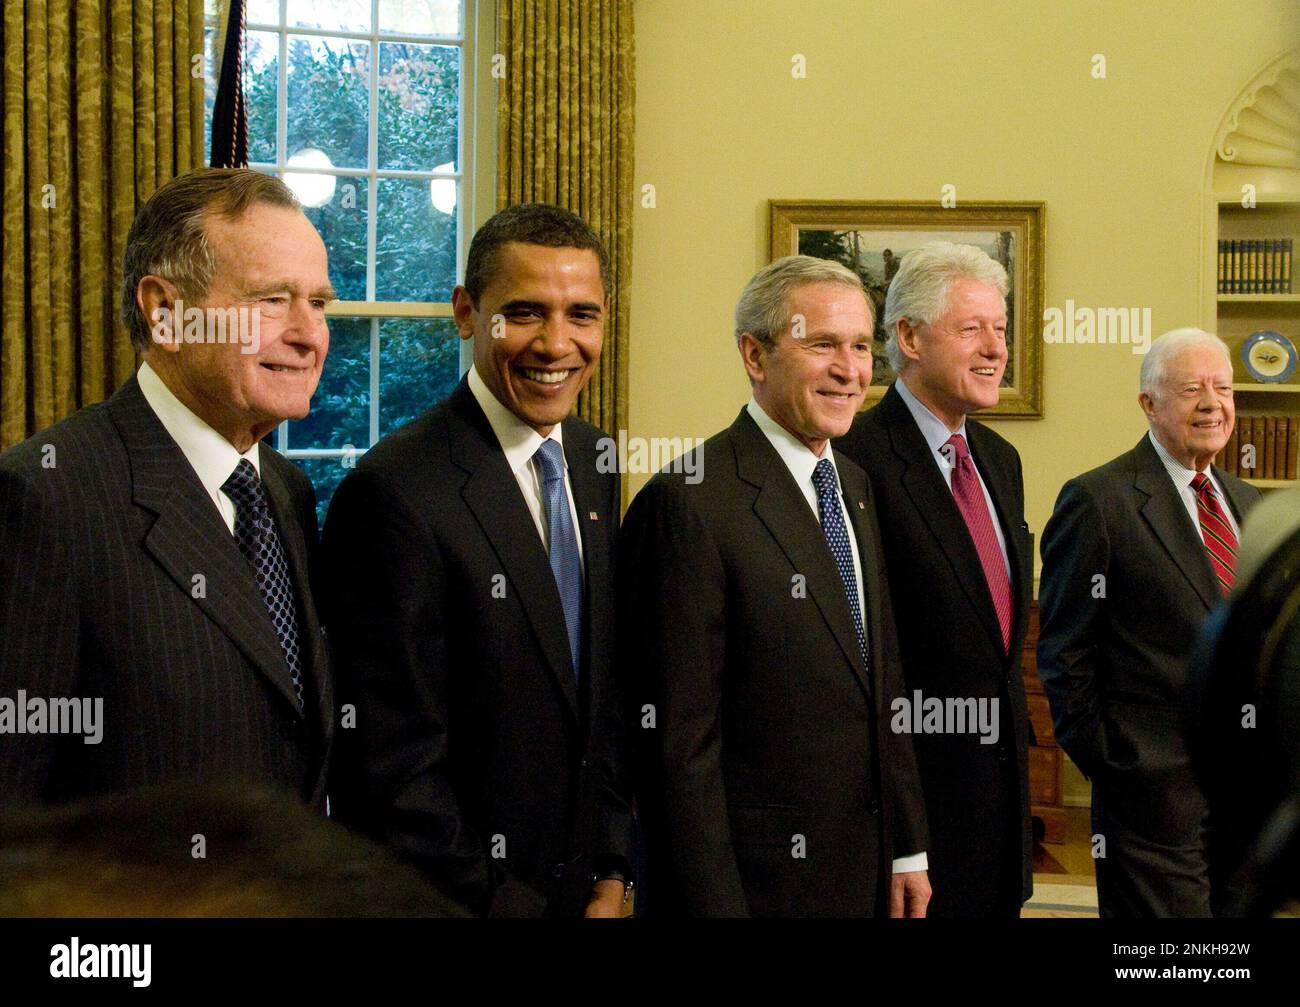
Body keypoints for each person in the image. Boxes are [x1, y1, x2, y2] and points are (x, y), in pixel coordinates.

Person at [321, 203, 633, 918]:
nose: (556, 344)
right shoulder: (394, 492)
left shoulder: (595, 460)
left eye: (581, 314)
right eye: (524, 312)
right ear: (467, 312)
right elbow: (392, 774)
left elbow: (604, 696)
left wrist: (614, 869)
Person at [0, 168, 335, 808]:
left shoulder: (288, 492)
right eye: (271, 300)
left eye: (318, 302)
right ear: (167, 313)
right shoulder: (44, 497)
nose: (308, 334)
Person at [619, 255, 929, 917]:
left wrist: (906, 845)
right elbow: (677, 747)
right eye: (822, 345)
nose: (850, 370)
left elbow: (882, 677)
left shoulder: (855, 485)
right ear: (755, 355)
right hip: (754, 889)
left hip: (863, 873)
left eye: (860, 346)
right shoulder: (688, 501)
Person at [835, 241, 1033, 916]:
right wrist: (902, 834)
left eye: (1001, 329)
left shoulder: (1001, 460)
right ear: (910, 337)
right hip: (908, 821)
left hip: (999, 815)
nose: (995, 348)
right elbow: (861, 662)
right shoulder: (853, 458)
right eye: (972, 328)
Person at [1038, 328, 1260, 917]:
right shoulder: (1098, 500)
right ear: (1148, 403)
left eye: (1224, 388)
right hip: (1154, 794)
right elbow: (1064, 655)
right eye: (1191, 389)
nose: (1212, 403)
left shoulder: (1250, 502)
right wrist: (1122, 768)